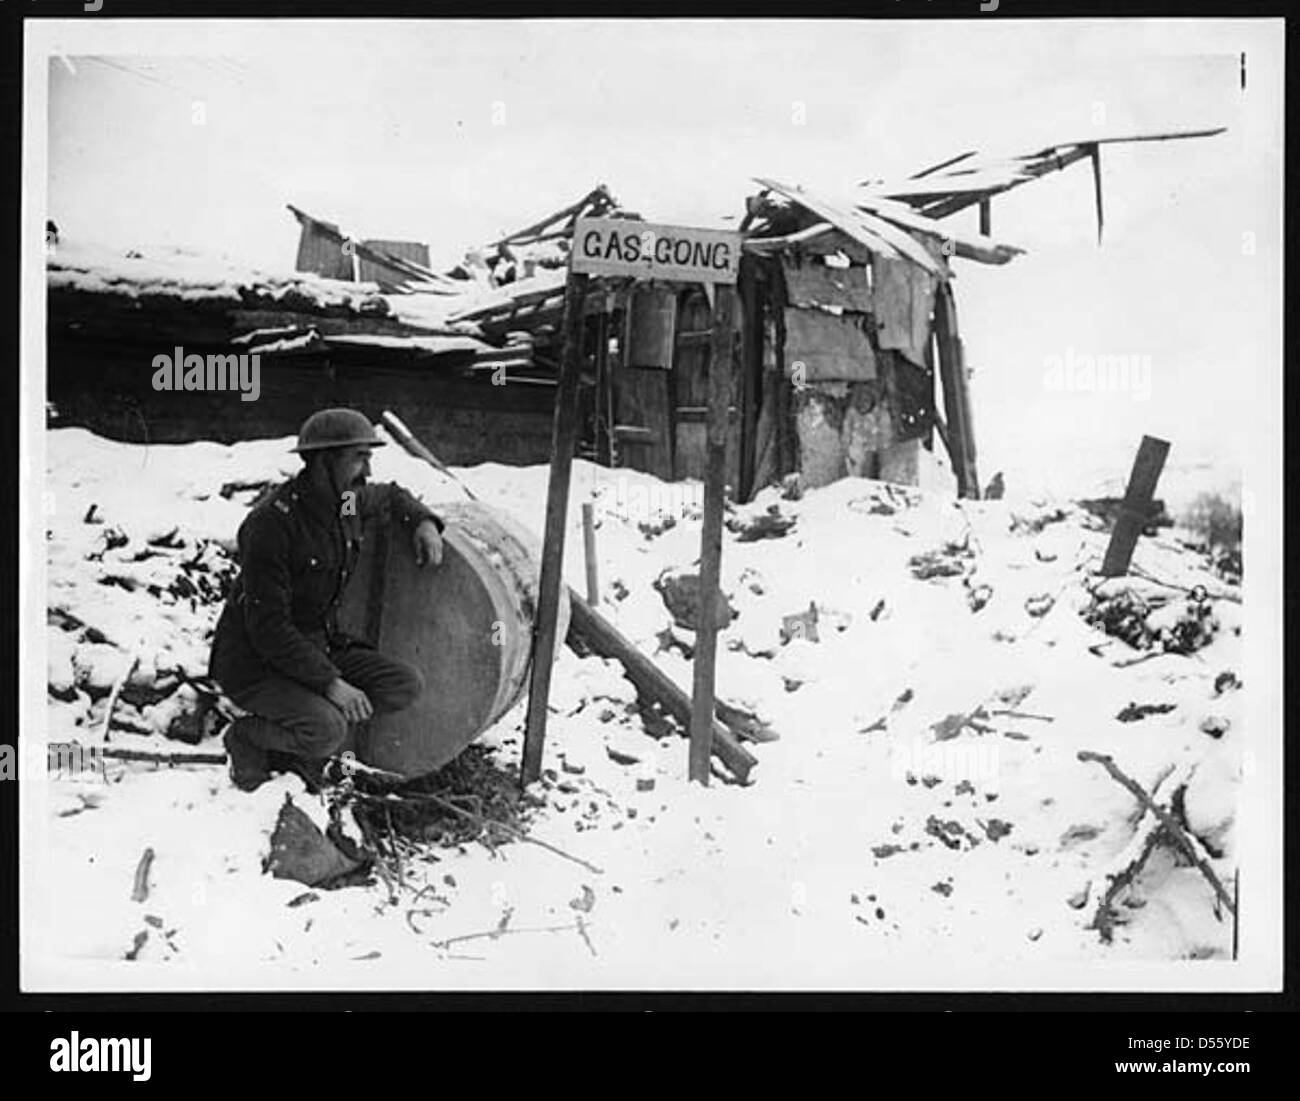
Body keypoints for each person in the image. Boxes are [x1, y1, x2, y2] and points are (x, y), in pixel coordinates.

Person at [209, 408, 445, 792]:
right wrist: (332, 684)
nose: (366, 472)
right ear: (323, 461)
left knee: (402, 685)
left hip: (316, 648)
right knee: (327, 728)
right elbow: (268, 628)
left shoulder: (344, 502)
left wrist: (423, 521)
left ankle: (301, 740)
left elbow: (389, 496)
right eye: (359, 458)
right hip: (257, 664)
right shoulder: (273, 523)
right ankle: (249, 737)